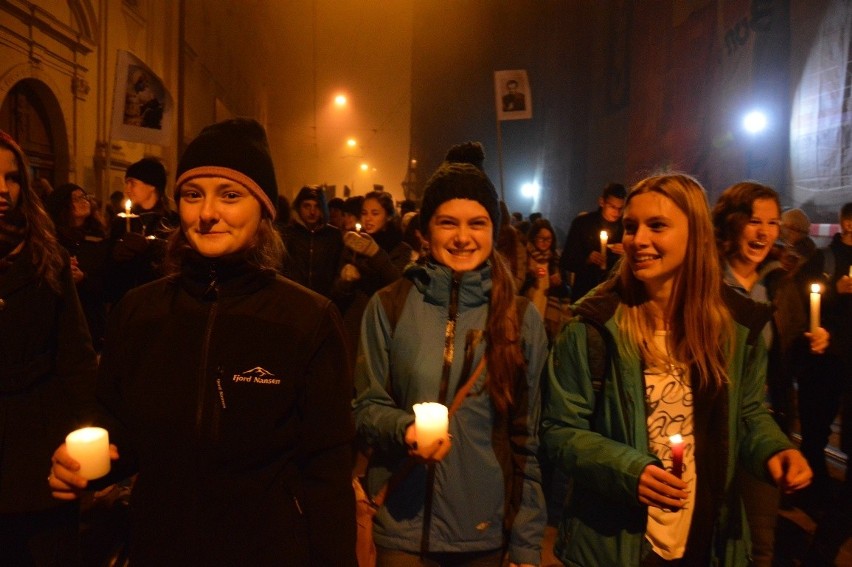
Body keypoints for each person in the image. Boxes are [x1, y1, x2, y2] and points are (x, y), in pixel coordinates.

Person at [48, 118, 356, 566]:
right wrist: (84, 467)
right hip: (160, 549)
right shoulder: (140, 311)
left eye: (230, 195)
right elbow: (118, 428)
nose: (207, 212)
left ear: (264, 209)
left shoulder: (308, 320)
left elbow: (327, 474)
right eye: (193, 195)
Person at [541, 173, 812, 566]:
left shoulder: (737, 327)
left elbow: (748, 413)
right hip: (619, 542)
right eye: (631, 227)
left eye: (657, 226)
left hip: (706, 537)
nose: (638, 240)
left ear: (696, 236)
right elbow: (559, 431)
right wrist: (630, 471)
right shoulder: (593, 326)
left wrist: (774, 449)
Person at [353, 143, 548, 566]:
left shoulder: (520, 317)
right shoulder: (389, 304)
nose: (463, 237)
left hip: (482, 535)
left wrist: (527, 544)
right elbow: (364, 406)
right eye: (448, 223)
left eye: (477, 223)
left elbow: (529, 439)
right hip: (401, 527)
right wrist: (405, 428)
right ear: (425, 231)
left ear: (494, 230)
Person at [712, 181, 829, 567]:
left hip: (764, 421)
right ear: (731, 223)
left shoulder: (780, 284)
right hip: (712, 425)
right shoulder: (707, 281)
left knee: (760, 543)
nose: (764, 232)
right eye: (753, 221)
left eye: (773, 223)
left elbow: (787, 363)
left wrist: (814, 345)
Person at [0, 130, 98, 565]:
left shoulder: (45, 254)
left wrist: (82, 445)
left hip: (40, 450)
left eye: (12, 177)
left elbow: (75, 356)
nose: (3, 190)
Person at [335, 190, 411, 358]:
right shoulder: (354, 245)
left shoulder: (401, 249)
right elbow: (337, 293)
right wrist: (345, 281)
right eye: (364, 213)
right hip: (355, 324)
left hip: (385, 325)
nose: (368, 218)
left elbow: (399, 285)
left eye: (375, 213)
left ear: (389, 216)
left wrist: (376, 254)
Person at [104, 157, 178, 304]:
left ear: (152, 186)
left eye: (132, 183)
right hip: (126, 301)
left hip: (159, 302)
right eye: (126, 183)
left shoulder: (173, 222)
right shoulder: (122, 221)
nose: (127, 189)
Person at [45, 183, 110, 352]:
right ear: (63, 205)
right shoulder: (51, 241)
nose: (85, 201)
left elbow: (108, 282)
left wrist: (84, 278)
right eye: (77, 198)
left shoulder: (97, 238)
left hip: (92, 321)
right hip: (60, 323)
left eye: (85, 196)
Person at [559, 182, 626, 302]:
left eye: (620, 208)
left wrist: (627, 252)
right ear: (602, 202)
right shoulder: (582, 223)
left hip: (615, 295)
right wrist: (587, 259)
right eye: (612, 207)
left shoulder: (626, 227)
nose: (617, 213)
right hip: (585, 292)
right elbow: (566, 260)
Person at [281, 185, 344, 298]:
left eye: (317, 206)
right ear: (298, 207)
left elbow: (338, 269)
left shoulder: (333, 235)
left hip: (323, 300)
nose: (312, 211)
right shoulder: (287, 234)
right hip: (293, 298)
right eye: (307, 206)